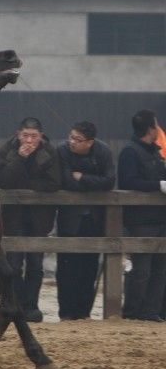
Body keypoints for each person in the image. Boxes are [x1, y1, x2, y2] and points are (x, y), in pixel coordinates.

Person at [0, 117, 60, 322]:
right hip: (13, 217)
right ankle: (17, 304)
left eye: (33, 136)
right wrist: (19, 160)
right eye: (25, 135)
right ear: (18, 134)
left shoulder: (49, 152)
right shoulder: (6, 150)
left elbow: (54, 183)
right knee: (13, 264)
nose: (29, 140)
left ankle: (31, 306)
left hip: (39, 218)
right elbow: (1, 180)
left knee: (35, 264)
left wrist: (26, 183)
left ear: (40, 136)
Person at [56, 121, 115, 320]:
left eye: (77, 139)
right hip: (70, 219)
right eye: (71, 137)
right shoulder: (62, 151)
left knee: (89, 269)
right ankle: (66, 313)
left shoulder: (103, 152)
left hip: (94, 219)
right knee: (66, 269)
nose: (72, 142)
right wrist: (90, 183)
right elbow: (66, 181)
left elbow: (109, 182)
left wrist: (83, 178)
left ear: (89, 142)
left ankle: (84, 313)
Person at [119, 110, 166, 322]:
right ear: (150, 129)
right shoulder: (130, 152)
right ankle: (132, 311)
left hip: (159, 218)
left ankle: (151, 310)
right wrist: (157, 185)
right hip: (140, 220)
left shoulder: (155, 152)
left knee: (159, 268)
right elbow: (128, 182)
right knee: (141, 269)